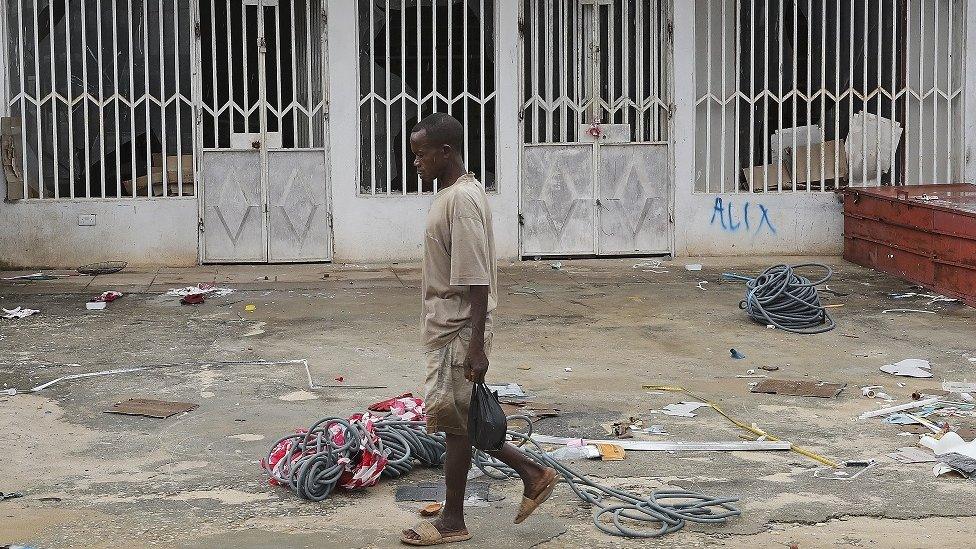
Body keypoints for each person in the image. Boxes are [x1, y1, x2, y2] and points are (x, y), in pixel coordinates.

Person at [401, 113, 559, 546]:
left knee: (458, 425)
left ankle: (456, 518)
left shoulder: (463, 200)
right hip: (445, 328)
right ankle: (531, 474)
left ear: (446, 151)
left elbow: (476, 278)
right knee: (460, 422)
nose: (416, 162)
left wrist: (475, 346)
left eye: (421, 153)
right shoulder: (451, 196)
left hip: (457, 331)